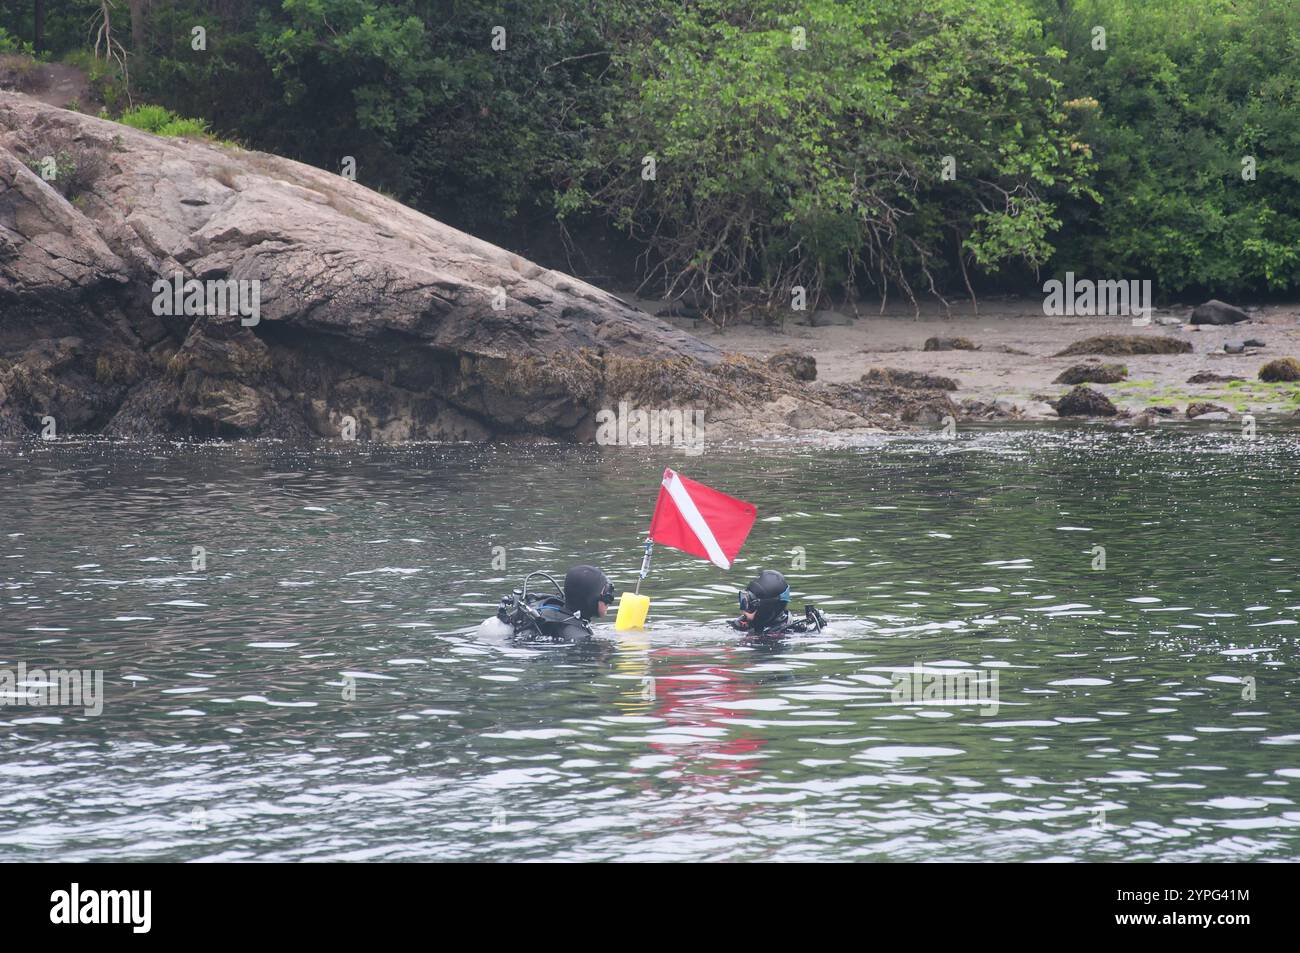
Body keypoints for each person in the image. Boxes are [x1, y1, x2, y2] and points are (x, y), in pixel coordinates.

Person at [495, 565, 616, 641]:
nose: (609, 599)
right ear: (590, 598)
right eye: (606, 593)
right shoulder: (577, 636)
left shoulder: (556, 609)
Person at [729, 569, 826, 636]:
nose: (744, 612)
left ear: (765, 610)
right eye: (743, 601)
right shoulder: (747, 625)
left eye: (750, 606)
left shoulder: (785, 635)